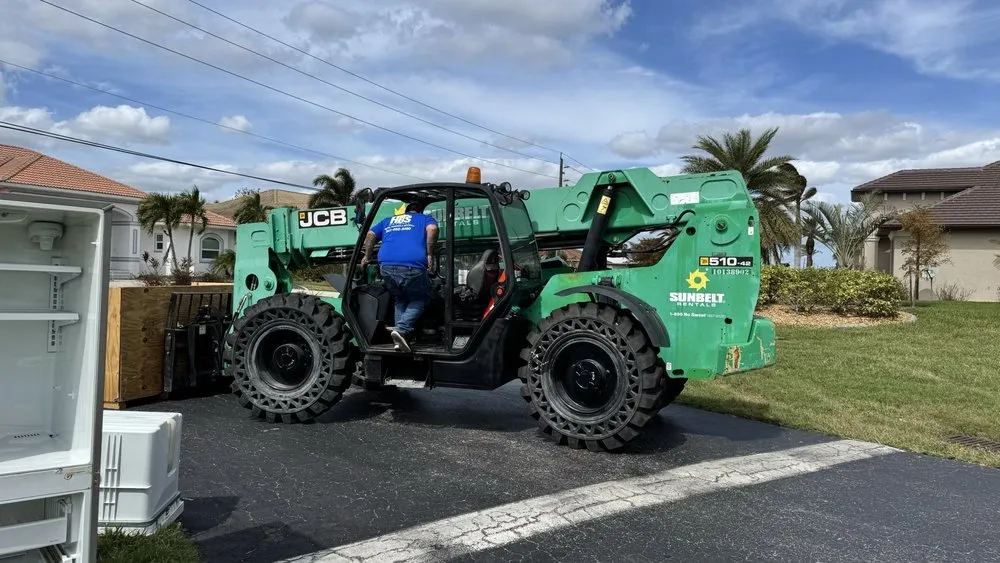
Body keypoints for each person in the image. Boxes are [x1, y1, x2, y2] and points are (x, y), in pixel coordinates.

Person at [361, 201, 438, 352]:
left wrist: (367, 256)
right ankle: (402, 330)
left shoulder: (388, 220)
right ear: (419, 211)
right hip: (412, 265)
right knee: (421, 299)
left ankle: (399, 340)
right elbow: (433, 229)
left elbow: (370, 234)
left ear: (406, 211)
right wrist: (429, 254)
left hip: (386, 266)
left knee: (401, 298)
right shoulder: (424, 219)